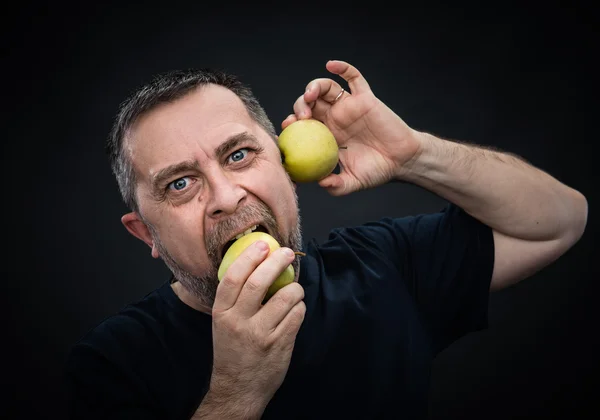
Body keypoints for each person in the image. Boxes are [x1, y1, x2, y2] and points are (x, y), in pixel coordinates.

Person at [64, 59, 588, 419]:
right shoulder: (112, 365)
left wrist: (414, 154)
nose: (225, 195)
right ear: (145, 233)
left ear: (287, 163)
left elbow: (562, 219)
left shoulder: (382, 267)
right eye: (180, 184)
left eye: (239, 155)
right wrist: (237, 392)